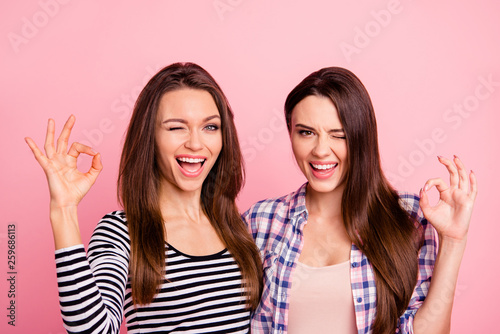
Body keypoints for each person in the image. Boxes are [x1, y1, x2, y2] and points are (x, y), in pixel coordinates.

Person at [25, 62, 263, 333]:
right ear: (150, 137)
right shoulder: (121, 232)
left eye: (210, 127)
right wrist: (63, 210)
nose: (196, 144)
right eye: (176, 128)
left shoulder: (239, 228)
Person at [243, 67, 477, 334]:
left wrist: (454, 241)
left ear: (361, 136)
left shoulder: (408, 218)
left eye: (339, 134)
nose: (320, 150)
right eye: (306, 132)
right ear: (290, 133)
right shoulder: (260, 221)